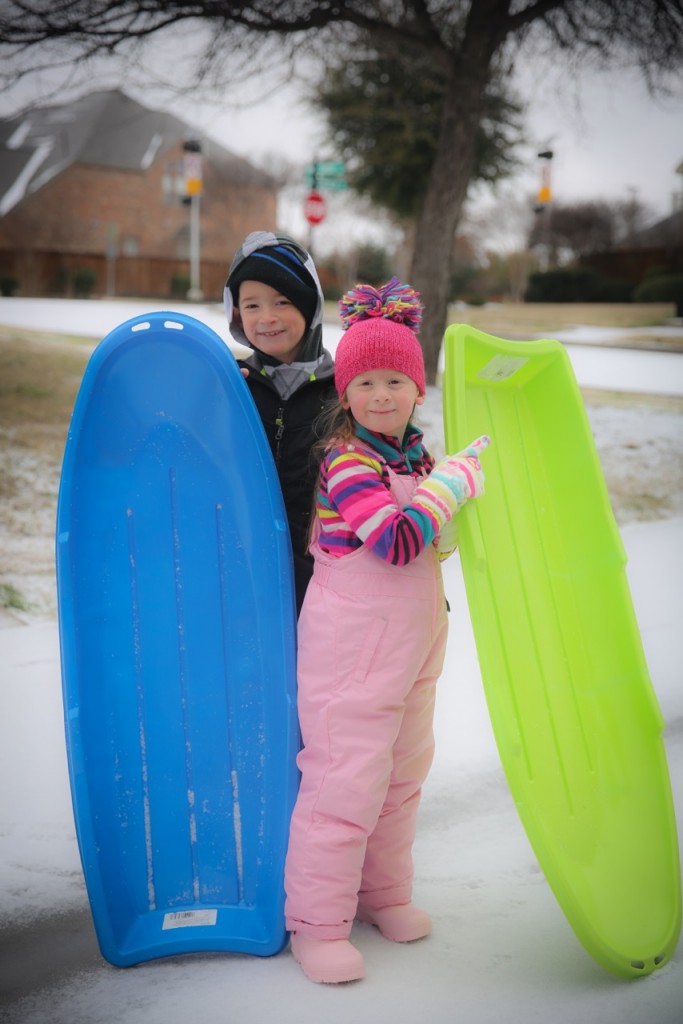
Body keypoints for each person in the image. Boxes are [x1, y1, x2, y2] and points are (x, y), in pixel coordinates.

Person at [283, 277, 490, 984]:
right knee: (346, 781)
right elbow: (397, 542)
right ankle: (316, 925)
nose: (380, 395)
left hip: (413, 644)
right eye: (365, 381)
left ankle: (382, 896)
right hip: (352, 649)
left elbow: (431, 539)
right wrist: (451, 487)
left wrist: (448, 486)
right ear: (345, 394)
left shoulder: (416, 458)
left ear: (417, 389)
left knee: (401, 778)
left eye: (394, 380)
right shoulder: (347, 462)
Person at [224, 231, 337, 614]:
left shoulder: (343, 390)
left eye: (283, 301)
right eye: (252, 305)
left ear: (310, 306)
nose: (266, 318)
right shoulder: (231, 384)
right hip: (244, 576)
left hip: (321, 584)